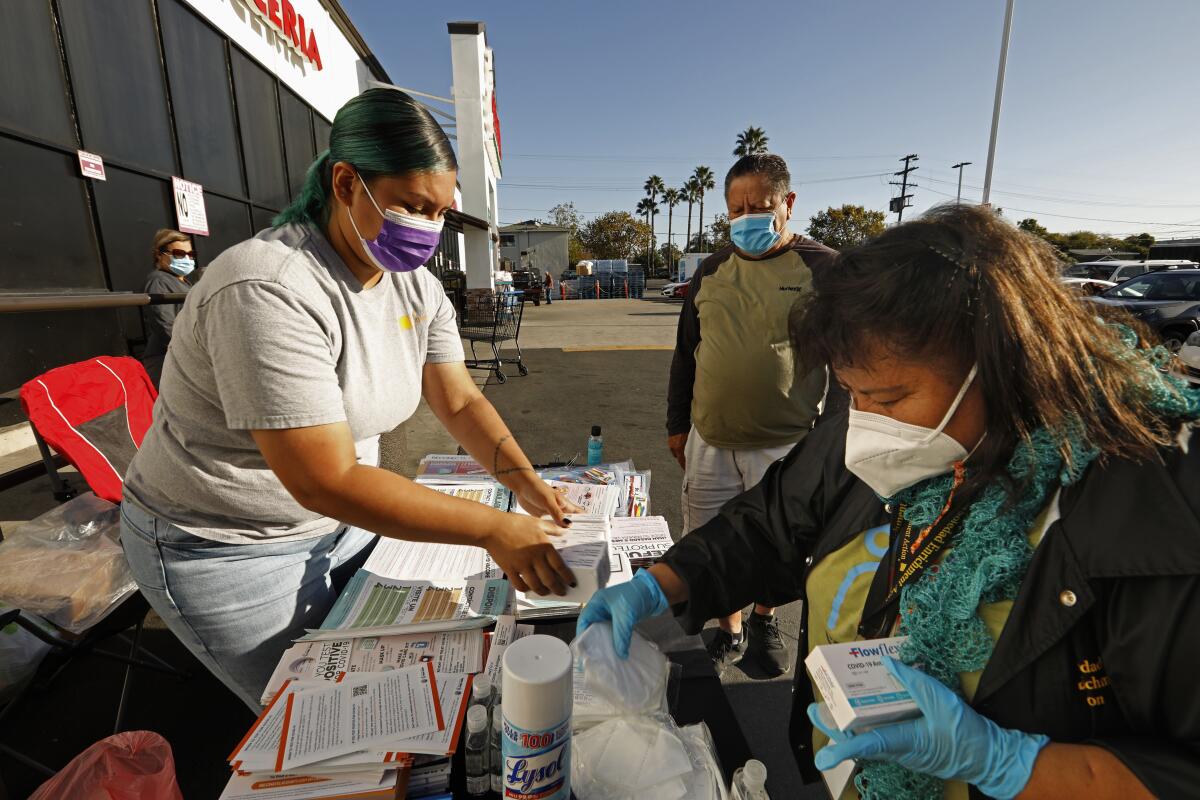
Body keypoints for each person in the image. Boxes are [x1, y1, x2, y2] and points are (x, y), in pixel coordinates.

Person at [583, 204, 1200, 799]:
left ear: (1006, 365)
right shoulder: (884, 434)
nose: (868, 423)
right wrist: (662, 584)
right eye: (852, 393)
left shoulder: (1156, 507)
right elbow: (771, 524)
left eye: (892, 396)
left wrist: (1006, 763)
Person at [119, 88, 579, 711]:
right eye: (412, 206)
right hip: (225, 545)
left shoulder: (414, 286)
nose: (428, 228)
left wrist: (523, 485)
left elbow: (461, 402)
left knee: (397, 688)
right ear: (344, 183)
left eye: (441, 212)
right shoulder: (268, 287)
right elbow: (324, 477)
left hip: (340, 526)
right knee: (319, 718)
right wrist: (494, 528)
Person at [665, 153, 835, 676]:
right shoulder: (712, 270)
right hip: (710, 438)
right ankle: (731, 626)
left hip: (785, 442)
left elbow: (853, 360)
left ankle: (765, 616)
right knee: (709, 536)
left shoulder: (824, 268)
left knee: (779, 544)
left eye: (758, 206)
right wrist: (677, 424)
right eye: (736, 209)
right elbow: (685, 352)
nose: (746, 218)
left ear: (787, 203)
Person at [141, 229, 194, 386]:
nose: (186, 258)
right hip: (168, 359)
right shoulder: (158, 280)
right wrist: (194, 353)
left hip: (184, 356)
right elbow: (165, 325)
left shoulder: (182, 281)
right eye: (179, 253)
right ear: (159, 254)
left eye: (190, 254)